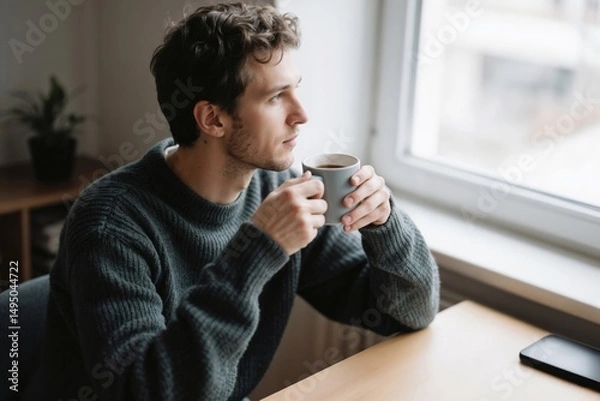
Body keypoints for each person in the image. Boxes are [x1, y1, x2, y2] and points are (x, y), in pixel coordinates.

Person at [33, 3, 440, 400]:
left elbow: (409, 313)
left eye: (295, 89)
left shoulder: (276, 187)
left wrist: (385, 224)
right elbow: (148, 389)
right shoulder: (110, 225)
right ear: (212, 119)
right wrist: (258, 250)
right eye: (276, 97)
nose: (302, 114)